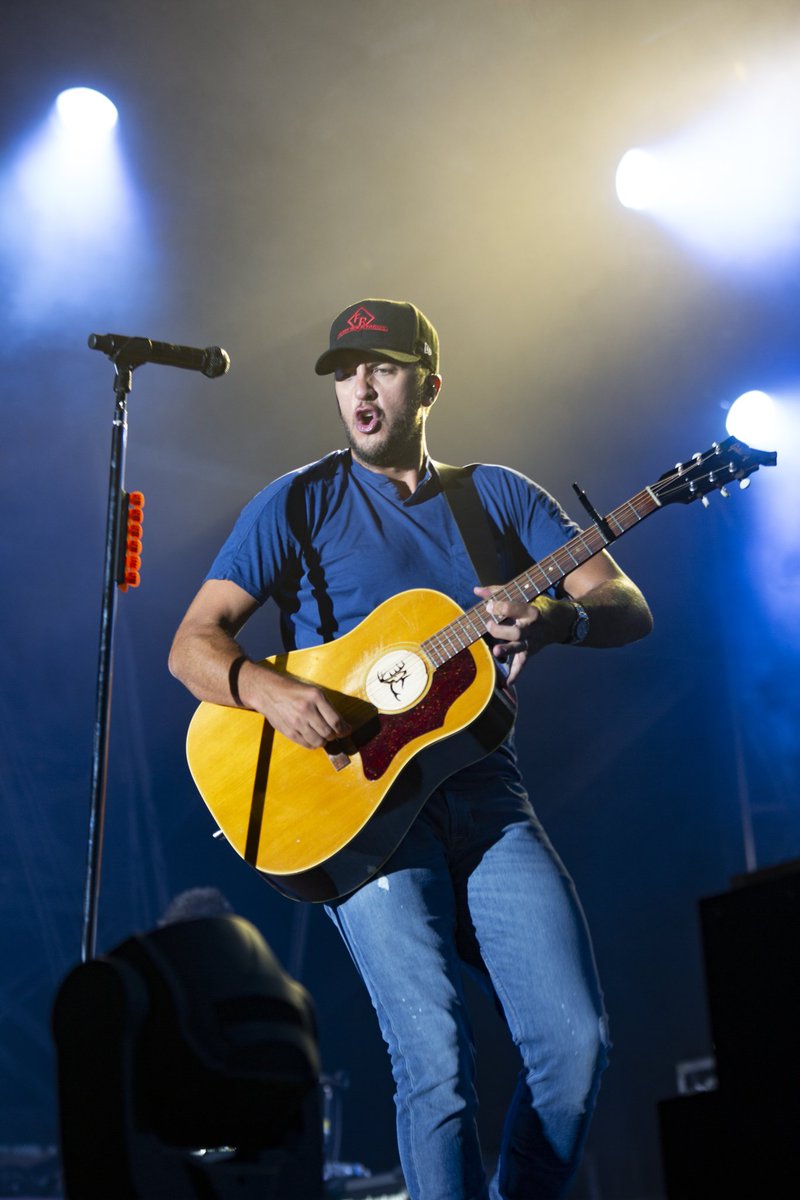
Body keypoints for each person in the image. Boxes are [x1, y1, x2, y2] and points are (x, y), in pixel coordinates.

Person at [169, 298, 653, 1199]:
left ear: (428, 386)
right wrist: (273, 691)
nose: (360, 387)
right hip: (358, 807)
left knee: (576, 1045)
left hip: (486, 794)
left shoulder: (494, 495)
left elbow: (625, 604)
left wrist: (558, 620)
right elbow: (190, 647)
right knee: (435, 1060)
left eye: (382, 369)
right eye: (345, 372)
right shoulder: (297, 500)